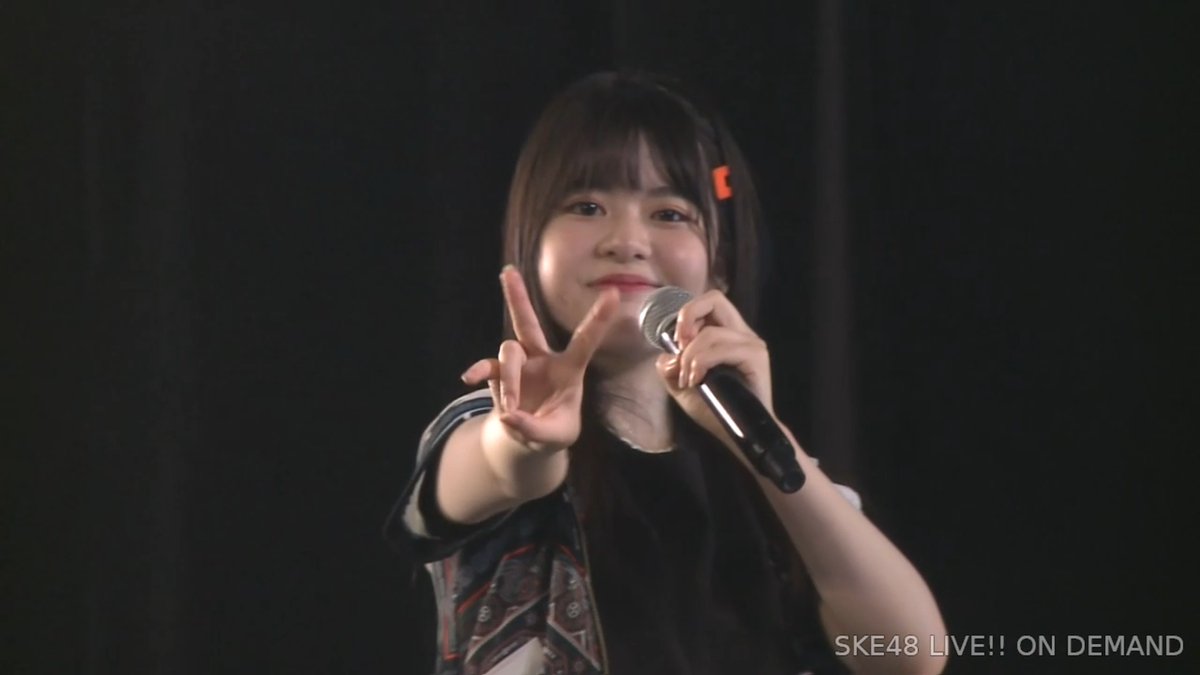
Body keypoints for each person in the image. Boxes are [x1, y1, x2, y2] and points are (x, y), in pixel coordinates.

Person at [385, 71, 946, 675]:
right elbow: (503, 464)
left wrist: (769, 442)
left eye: (670, 213)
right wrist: (522, 440)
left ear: (719, 266)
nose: (627, 240)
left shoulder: (760, 465)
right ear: (529, 245)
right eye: (587, 206)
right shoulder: (489, 420)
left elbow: (912, 656)